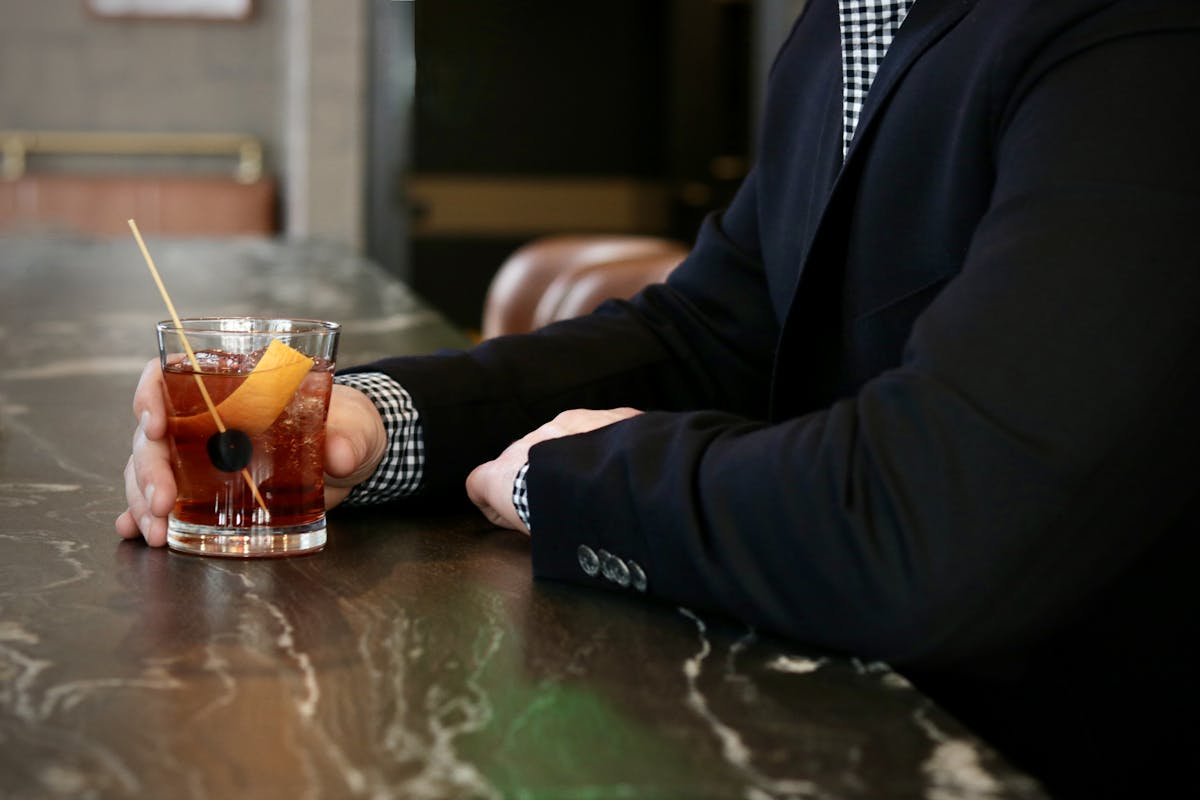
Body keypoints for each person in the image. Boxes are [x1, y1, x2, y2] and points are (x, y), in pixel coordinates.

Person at [118, 0, 1199, 796]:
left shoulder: (1135, 39)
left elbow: (932, 519)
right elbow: (704, 333)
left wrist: (573, 479)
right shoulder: (843, 28)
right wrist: (362, 422)